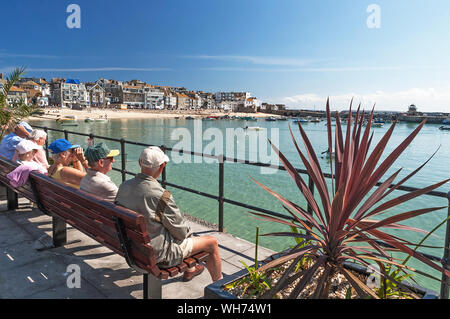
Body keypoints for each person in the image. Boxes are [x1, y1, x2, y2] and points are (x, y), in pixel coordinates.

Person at [115, 146, 223, 282]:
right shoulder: (161, 196)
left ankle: (191, 269)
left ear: (139, 162)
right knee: (211, 243)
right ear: (162, 167)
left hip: (132, 248)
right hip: (159, 256)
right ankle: (220, 288)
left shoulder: (124, 186)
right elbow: (181, 233)